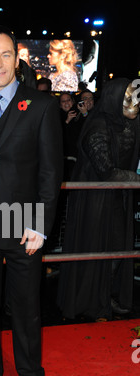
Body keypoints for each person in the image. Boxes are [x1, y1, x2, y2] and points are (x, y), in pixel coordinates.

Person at [0, 26, 63, 376]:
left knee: (26, 307)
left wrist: (41, 224)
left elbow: (50, 172)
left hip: (25, 224)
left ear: (17, 59)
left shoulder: (41, 107)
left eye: (5, 54)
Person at [57, 78, 140, 321]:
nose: (134, 103)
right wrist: (136, 178)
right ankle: (92, 299)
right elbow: (106, 170)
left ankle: (106, 295)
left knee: (117, 248)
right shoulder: (98, 126)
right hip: (95, 199)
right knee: (97, 248)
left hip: (117, 196)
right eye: (128, 98)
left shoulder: (129, 124)